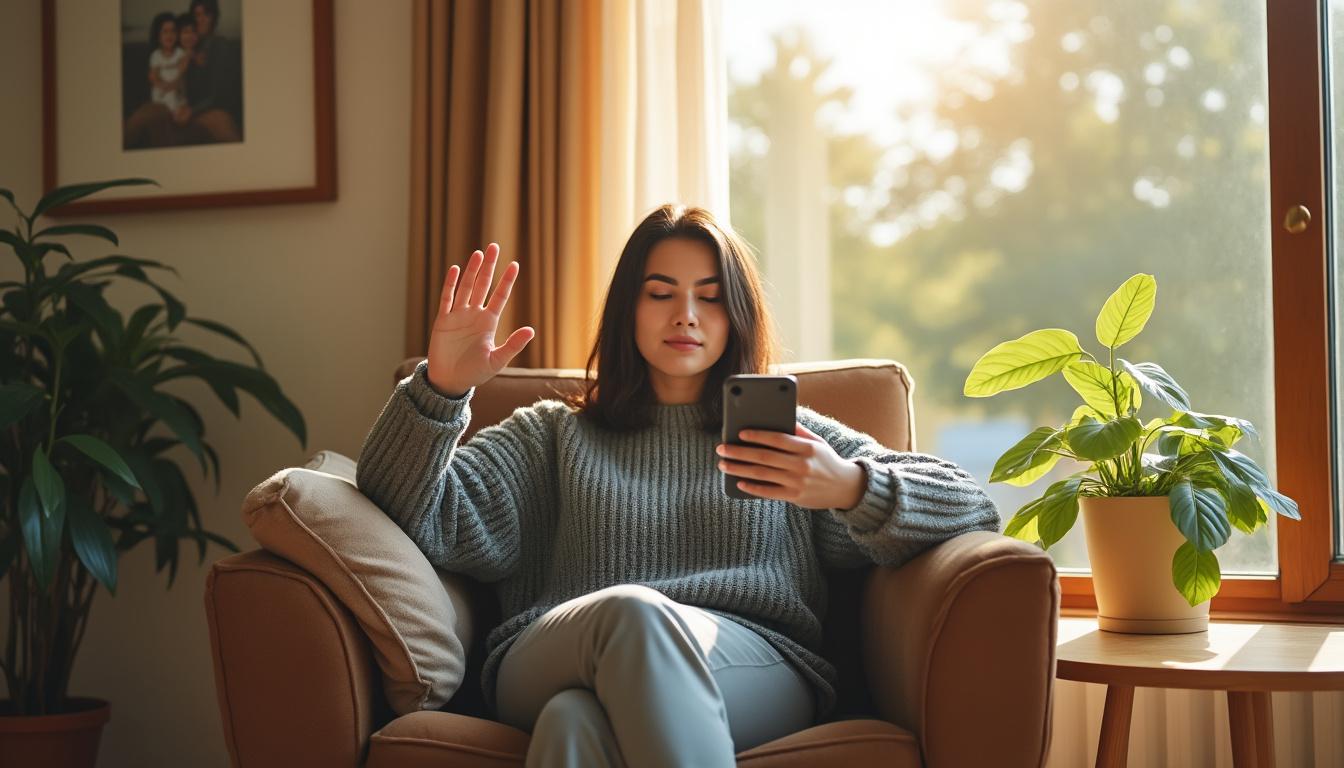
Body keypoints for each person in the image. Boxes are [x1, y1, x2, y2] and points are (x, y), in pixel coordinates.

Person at [356, 205, 1001, 767]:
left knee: (573, 726)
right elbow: (403, 509)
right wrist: (441, 389)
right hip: (555, 653)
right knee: (632, 614)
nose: (686, 315)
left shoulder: (789, 438)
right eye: (660, 292)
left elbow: (972, 506)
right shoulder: (551, 436)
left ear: (736, 314)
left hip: (751, 666)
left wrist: (850, 487)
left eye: (710, 296)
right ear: (628, 310)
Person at [146, 12, 188, 113]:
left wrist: (173, 85)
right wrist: (164, 85)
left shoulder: (180, 53)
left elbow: (183, 74)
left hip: (178, 96)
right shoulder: (156, 56)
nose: (169, 35)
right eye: (165, 32)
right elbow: (153, 77)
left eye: (173, 31)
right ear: (158, 36)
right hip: (161, 97)